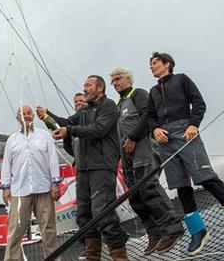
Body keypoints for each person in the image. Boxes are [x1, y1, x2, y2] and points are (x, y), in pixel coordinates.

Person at [145, 52, 224, 255]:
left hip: (185, 131)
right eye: (150, 64)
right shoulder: (152, 91)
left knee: (205, 177)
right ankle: (198, 231)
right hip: (164, 139)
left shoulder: (182, 79)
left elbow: (199, 103)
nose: (151, 67)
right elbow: (150, 116)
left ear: (167, 64)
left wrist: (193, 124)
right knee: (180, 185)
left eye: (155, 63)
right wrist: (155, 130)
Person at [53, 75, 130, 261]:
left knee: (103, 211)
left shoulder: (109, 106)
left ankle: (120, 257)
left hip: (102, 166)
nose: (85, 88)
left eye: (88, 85)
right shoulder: (83, 112)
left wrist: (69, 131)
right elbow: (67, 123)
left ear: (100, 89)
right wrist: (46, 114)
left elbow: (99, 129)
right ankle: (92, 256)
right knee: (84, 214)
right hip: (83, 170)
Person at [110, 67, 185, 254]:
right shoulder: (119, 104)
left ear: (128, 79)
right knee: (135, 197)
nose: (115, 83)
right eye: (112, 81)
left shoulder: (139, 94)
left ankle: (172, 229)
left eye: (118, 78)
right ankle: (154, 232)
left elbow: (148, 116)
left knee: (149, 189)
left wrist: (134, 137)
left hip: (143, 150)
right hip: (127, 158)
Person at [0, 105, 62, 261]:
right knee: (15, 230)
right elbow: (6, 165)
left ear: (33, 116)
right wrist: (5, 187)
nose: (26, 116)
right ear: (17, 118)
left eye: (29, 113)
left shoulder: (44, 136)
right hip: (19, 190)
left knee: (48, 229)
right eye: (22, 114)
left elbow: (53, 160)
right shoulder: (12, 140)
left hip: (44, 188)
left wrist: (55, 183)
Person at [36, 92, 87, 260]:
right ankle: (88, 244)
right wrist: (46, 117)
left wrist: (48, 113)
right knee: (83, 207)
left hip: (97, 169)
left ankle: (110, 242)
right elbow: (60, 127)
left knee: (99, 205)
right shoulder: (72, 121)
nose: (79, 103)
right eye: (76, 101)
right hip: (81, 170)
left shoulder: (93, 116)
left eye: (82, 100)